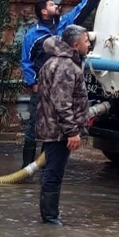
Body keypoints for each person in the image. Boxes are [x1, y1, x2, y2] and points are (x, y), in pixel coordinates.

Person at [20, 0, 115, 167]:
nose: (57, 6)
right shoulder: (33, 35)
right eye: (52, 5)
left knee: (54, 128)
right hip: (43, 91)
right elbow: (25, 61)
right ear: (44, 11)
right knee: (33, 128)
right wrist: (33, 83)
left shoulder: (64, 27)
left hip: (63, 90)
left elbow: (82, 7)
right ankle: (26, 168)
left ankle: (44, 166)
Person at [35, 25, 91, 226]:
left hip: (53, 127)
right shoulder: (65, 67)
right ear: (75, 45)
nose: (89, 44)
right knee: (53, 173)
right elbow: (62, 102)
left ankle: (50, 214)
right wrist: (72, 131)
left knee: (51, 171)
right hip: (58, 131)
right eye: (86, 41)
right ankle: (50, 218)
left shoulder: (60, 62)